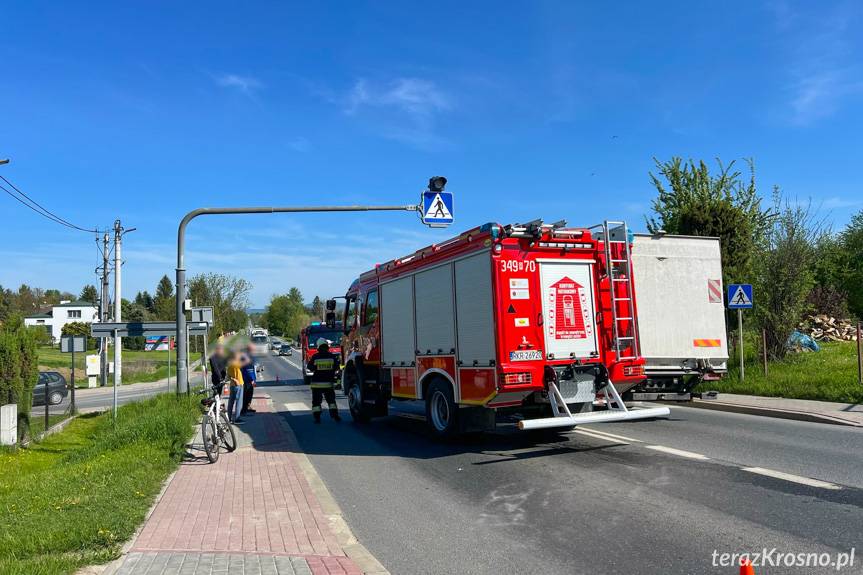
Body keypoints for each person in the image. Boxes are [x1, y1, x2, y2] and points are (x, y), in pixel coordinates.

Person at [309, 337, 341, 423]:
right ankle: (335, 416)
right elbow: (337, 368)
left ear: (318, 347)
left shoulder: (315, 356)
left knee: (316, 402)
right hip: (328, 384)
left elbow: (310, 367)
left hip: (316, 384)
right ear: (327, 347)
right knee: (331, 401)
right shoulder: (332, 356)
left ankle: (317, 418)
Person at [226, 350, 244, 423]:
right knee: (239, 402)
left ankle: (228, 418)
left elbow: (228, 376)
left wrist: (232, 379)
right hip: (238, 384)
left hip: (232, 385)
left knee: (231, 402)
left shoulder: (230, 364)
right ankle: (237, 418)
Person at [240, 345, 257, 416]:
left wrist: (254, 379)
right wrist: (252, 380)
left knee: (249, 395)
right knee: (246, 395)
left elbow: (252, 370)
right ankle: (244, 411)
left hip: (249, 380)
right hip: (247, 380)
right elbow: (248, 370)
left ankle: (247, 408)